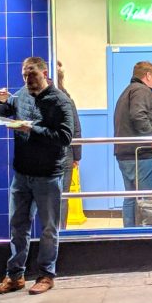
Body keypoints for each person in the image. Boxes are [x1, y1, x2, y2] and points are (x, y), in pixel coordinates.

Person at [0, 56, 73, 295]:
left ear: (45, 73)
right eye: (24, 74)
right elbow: (5, 113)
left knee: (48, 228)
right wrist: (0, 103)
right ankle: (15, 275)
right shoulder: (22, 94)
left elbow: (65, 137)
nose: (28, 79)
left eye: (32, 74)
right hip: (22, 173)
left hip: (48, 175)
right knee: (18, 225)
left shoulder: (60, 101)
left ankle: (46, 275)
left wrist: (31, 129)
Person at [114, 61, 152, 227]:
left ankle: (129, 237)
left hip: (126, 154)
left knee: (131, 198)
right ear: (148, 75)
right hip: (143, 156)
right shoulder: (141, 91)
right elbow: (138, 116)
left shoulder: (126, 92)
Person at [54, 60, 82, 231]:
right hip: (66, 152)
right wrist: (76, 155)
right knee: (62, 196)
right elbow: (76, 129)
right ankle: (60, 232)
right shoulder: (66, 98)